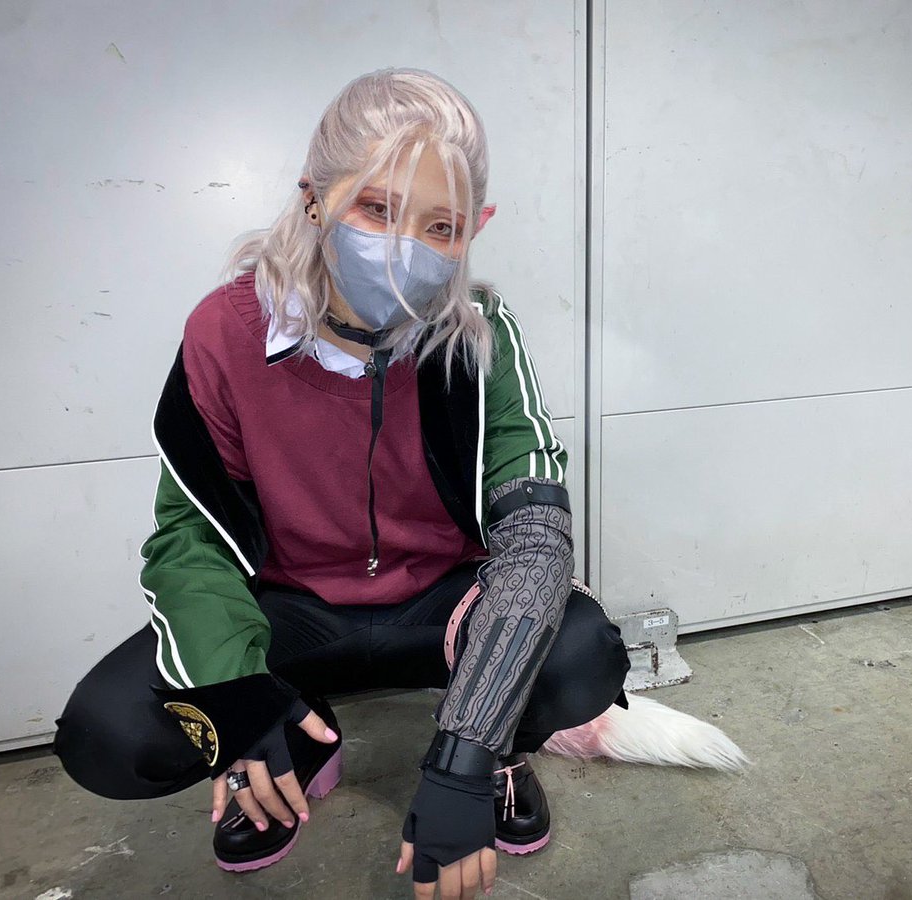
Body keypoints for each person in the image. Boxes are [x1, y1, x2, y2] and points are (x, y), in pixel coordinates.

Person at [54, 68, 631, 899]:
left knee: (581, 652)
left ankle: (499, 747)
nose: (406, 247)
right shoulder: (224, 332)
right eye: (376, 208)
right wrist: (240, 705)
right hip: (292, 616)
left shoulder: (482, 339)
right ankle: (294, 740)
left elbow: (535, 538)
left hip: (440, 608)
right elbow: (191, 537)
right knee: (112, 732)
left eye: (441, 225)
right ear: (314, 199)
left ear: (476, 229)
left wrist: (465, 760)